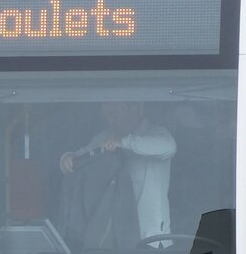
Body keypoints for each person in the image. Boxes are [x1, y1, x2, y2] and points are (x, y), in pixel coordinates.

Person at [59, 101, 176, 243]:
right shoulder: (106, 137)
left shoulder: (156, 134)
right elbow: (80, 158)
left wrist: (124, 142)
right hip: (114, 238)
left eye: (114, 114)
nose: (110, 121)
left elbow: (169, 147)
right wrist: (67, 158)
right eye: (107, 117)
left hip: (151, 237)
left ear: (136, 108)